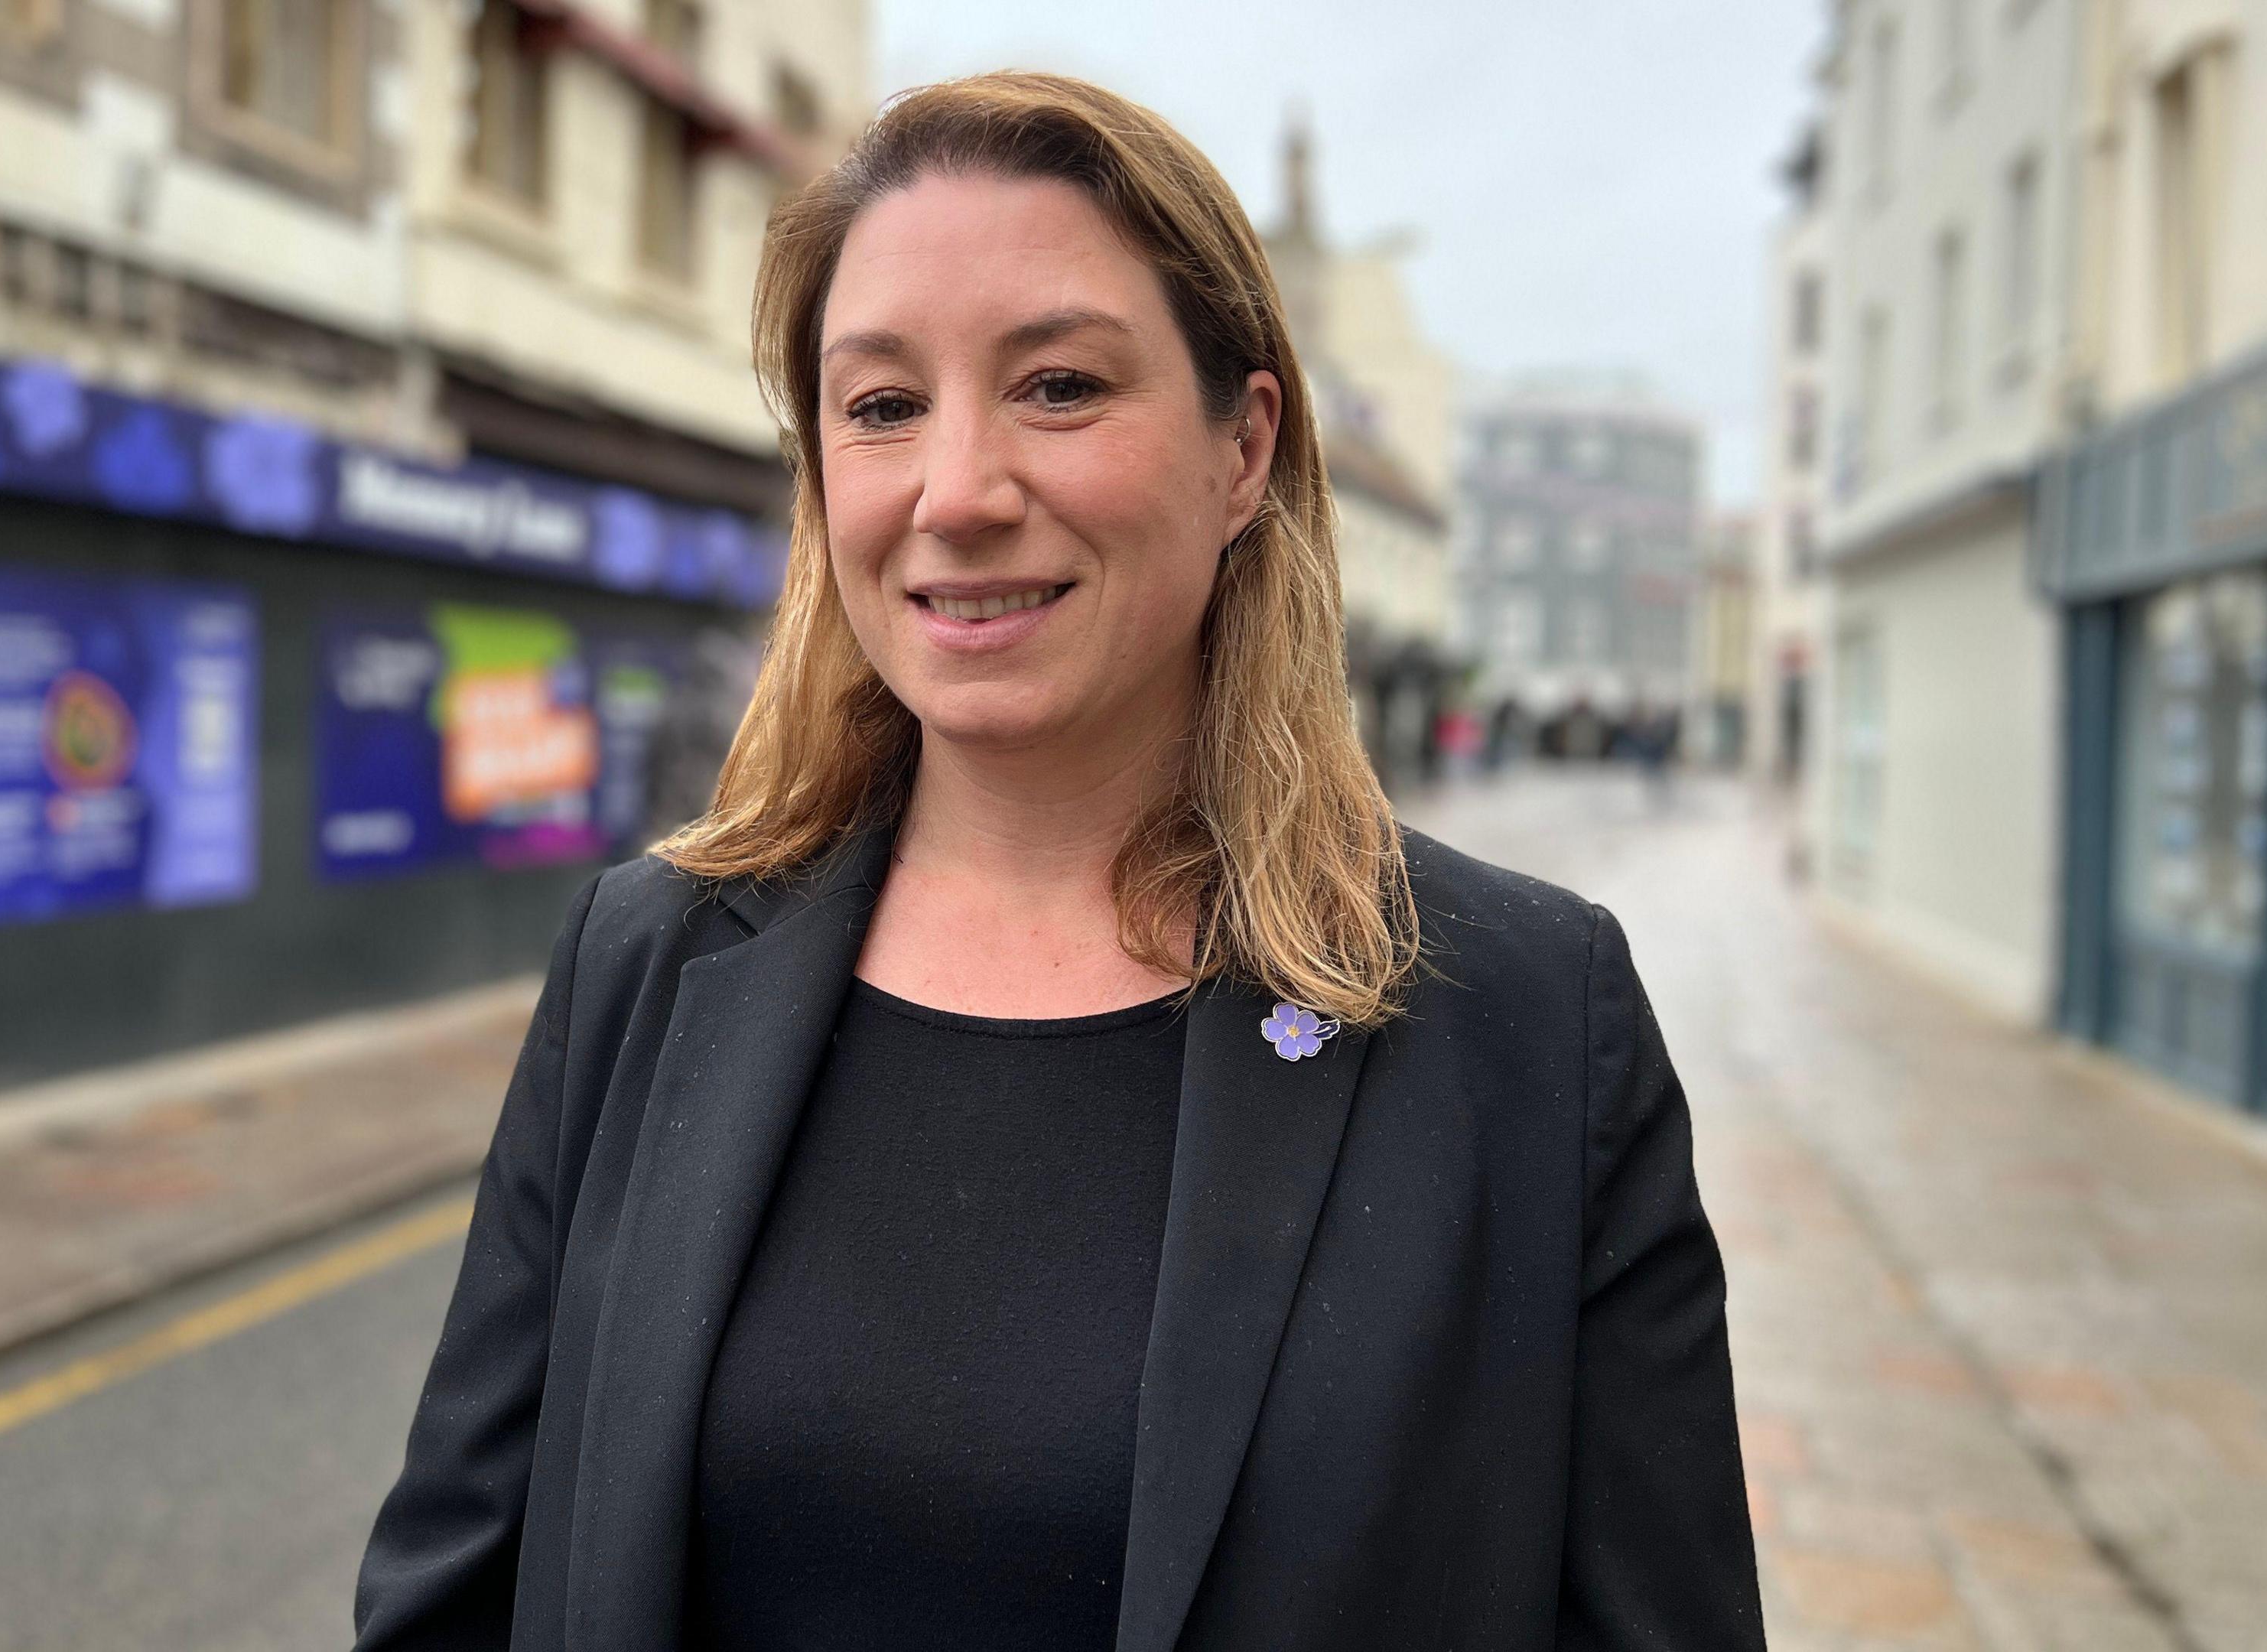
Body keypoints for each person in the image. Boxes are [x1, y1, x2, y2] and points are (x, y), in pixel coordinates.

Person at [353, 71, 1761, 1652]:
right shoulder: (646, 958)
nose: (958, 494)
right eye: (882, 406)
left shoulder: (1525, 1020)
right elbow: (454, 1594)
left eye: (1060, 387)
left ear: (1245, 449)